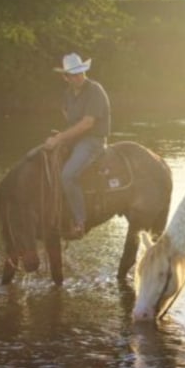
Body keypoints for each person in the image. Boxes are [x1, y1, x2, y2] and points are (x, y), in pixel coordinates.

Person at [45, 52, 111, 240]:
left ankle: (80, 220)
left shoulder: (95, 90)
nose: (78, 77)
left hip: (93, 141)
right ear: (65, 77)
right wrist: (62, 137)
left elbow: (87, 123)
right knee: (46, 160)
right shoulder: (67, 94)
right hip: (76, 138)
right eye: (73, 74)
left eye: (80, 73)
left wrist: (60, 139)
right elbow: (68, 116)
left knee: (67, 175)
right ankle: (56, 210)